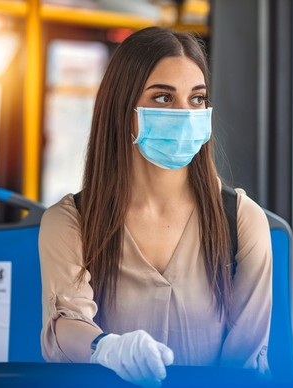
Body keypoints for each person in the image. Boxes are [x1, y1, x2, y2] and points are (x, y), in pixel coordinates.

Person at [38, 26, 272, 387]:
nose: (185, 114)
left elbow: (244, 360)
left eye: (196, 99)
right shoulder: (71, 222)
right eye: (163, 98)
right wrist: (107, 348)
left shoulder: (242, 220)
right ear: (122, 107)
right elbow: (66, 324)